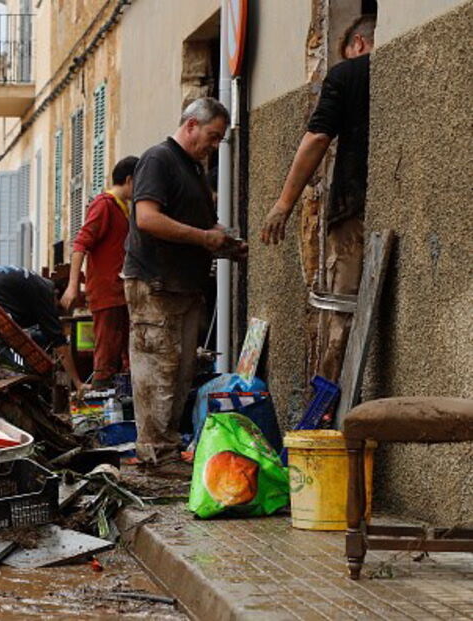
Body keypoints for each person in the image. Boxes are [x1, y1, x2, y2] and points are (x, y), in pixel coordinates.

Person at [123, 97, 247, 467]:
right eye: (211, 136)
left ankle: (165, 452)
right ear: (190, 125)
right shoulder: (159, 160)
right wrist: (203, 238)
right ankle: (155, 455)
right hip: (156, 286)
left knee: (178, 375)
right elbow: (147, 219)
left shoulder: (191, 169)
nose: (214, 146)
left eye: (219, 139)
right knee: (159, 374)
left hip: (183, 288)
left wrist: (222, 242)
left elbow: (196, 227)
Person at [260, 15, 375, 381]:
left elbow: (317, 138)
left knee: (339, 312)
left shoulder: (348, 75)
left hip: (353, 210)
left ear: (358, 43)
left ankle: (326, 408)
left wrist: (283, 204)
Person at [61, 156, 138, 388]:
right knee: (106, 357)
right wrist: (73, 286)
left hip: (120, 293)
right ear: (129, 180)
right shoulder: (104, 205)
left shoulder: (123, 209)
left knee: (123, 357)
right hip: (107, 293)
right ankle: (98, 409)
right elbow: (80, 244)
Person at [0, 265, 88, 395]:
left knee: (33, 337)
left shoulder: (35, 283)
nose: (55, 313)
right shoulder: (45, 292)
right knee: (11, 361)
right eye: (58, 308)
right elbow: (59, 343)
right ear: (56, 294)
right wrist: (77, 383)